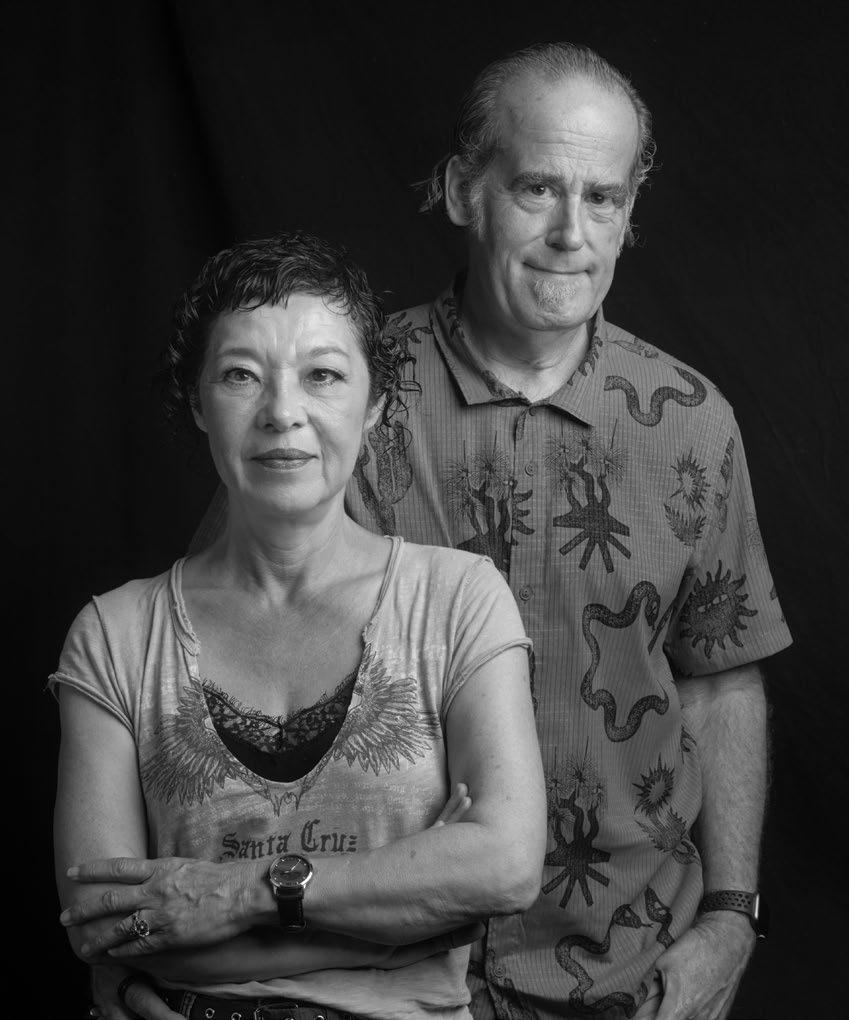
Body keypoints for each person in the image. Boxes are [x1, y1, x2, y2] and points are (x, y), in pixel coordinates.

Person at [190, 42, 793, 1020]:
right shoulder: (336, 397)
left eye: (602, 198)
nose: (569, 234)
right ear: (464, 190)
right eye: (537, 188)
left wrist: (731, 915)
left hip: (632, 968)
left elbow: (720, 682)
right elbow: (205, 657)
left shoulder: (691, 424)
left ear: (630, 213)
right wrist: (188, 947)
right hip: (372, 971)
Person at [51, 233, 547, 1020]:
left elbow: (506, 866)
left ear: (374, 403)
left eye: (322, 375)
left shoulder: (459, 600)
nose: (282, 413)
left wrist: (236, 895)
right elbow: (106, 924)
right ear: (197, 403)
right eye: (240, 375)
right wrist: (404, 921)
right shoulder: (114, 635)